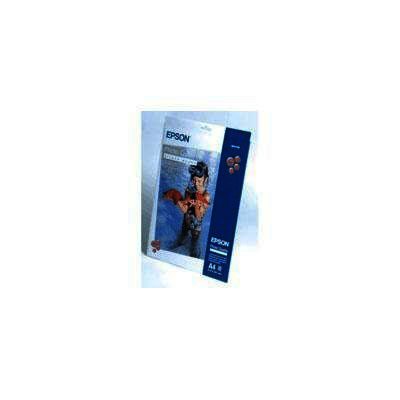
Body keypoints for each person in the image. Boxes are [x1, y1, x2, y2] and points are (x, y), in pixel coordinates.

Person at [171, 161, 211, 258]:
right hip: (186, 220)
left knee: (194, 244)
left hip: (196, 226)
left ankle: (194, 257)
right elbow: (185, 209)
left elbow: (199, 216)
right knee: (181, 237)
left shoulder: (206, 196)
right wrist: (177, 199)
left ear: (205, 180)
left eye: (199, 181)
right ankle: (176, 246)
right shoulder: (189, 190)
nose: (196, 184)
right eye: (194, 180)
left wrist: (197, 201)